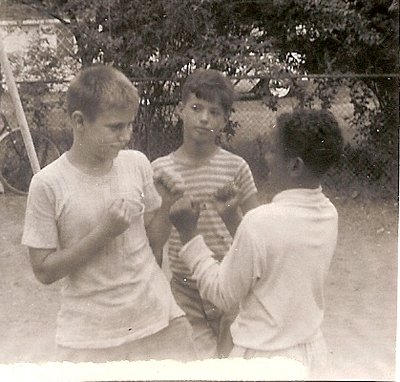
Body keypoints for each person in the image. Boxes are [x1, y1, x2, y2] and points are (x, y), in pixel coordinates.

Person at [21, 64, 197, 363]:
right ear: (79, 121)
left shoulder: (136, 164)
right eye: (116, 127)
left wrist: (166, 202)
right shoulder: (48, 184)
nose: (126, 135)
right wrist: (104, 233)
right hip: (92, 336)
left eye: (130, 125)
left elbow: (154, 243)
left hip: (158, 319)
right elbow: (44, 271)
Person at [169, 109, 344, 377]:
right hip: (312, 354)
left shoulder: (261, 222)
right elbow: (273, 257)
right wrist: (232, 218)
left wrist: (189, 234)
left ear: (295, 166)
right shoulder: (328, 213)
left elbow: (222, 295)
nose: (266, 157)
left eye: (273, 151)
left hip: (263, 360)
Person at [152, 69, 259, 359]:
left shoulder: (236, 168)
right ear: (180, 110)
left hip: (229, 283)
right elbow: (153, 243)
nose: (203, 118)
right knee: (195, 367)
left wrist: (232, 212)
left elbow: (258, 237)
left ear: (224, 121)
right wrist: (163, 205)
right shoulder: (160, 170)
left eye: (214, 112)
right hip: (184, 289)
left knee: (231, 365)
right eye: (196, 108)